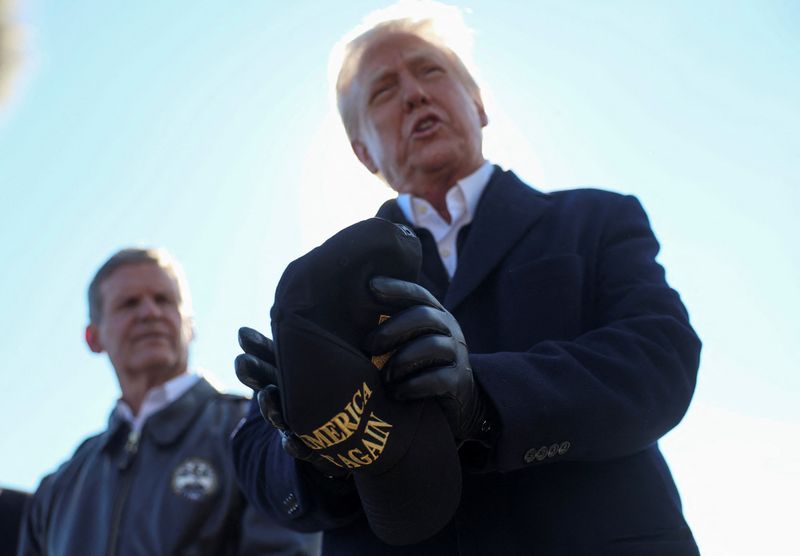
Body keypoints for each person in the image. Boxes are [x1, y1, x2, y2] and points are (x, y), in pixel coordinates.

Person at [232, 4, 702, 554]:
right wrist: (313, 446)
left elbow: (659, 357)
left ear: (478, 103)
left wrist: (485, 399)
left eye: (430, 71)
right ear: (363, 152)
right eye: (383, 91)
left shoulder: (597, 220)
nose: (413, 94)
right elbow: (256, 456)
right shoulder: (321, 284)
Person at [17, 248, 320, 556]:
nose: (150, 312)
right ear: (93, 337)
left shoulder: (257, 434)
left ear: (191, 324)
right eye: (128, 303)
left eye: (164, 300)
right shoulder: (59, 488)